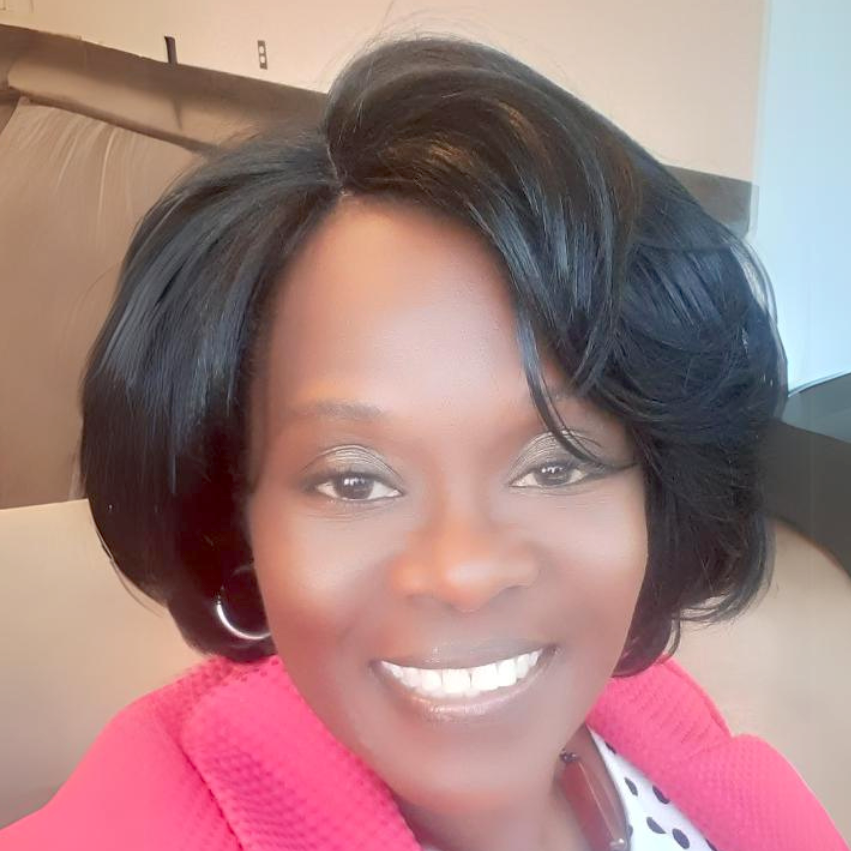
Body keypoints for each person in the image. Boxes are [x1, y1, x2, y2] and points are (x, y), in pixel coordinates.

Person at [1, 36, 846, 851]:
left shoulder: (655, 716)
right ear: (239, 519)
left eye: (555, 461)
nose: (464, 572)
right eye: (355, 481)